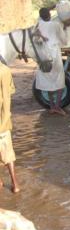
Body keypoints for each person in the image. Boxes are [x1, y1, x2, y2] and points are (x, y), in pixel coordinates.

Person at [35, 7, 70, 115]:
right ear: (50, 15)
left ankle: (51, 106)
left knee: (48, 80)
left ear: (40, 16)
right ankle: (58, 107)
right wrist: (64, 29)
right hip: (54, 55)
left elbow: (36, 38)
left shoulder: (38, 25)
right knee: (59, 80)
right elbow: (65, 41)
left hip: (43, 56)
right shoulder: (56, 25)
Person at [0, 64, 20, 193]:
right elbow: (12, 90)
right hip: (5, 119)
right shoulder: (6, 70)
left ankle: (0, 181)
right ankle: (15, 184)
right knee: (8, 153)